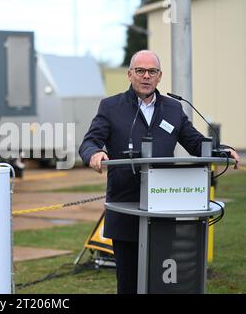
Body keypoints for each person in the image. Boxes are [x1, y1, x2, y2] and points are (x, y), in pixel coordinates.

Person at [79, 50, 240, 294]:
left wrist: (222, 151)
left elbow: (196, 143)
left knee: (163, 281)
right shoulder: (111, 106)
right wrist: (94, 154)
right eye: (140, 71)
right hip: (126, 208)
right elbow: (89, 141)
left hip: (164, 209)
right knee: (129, 284)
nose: (146, 76)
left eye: (152, 71)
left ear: (160, 76)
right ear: (129, 74)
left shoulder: (174, 108)